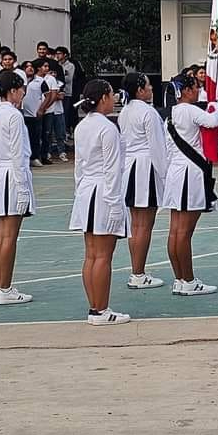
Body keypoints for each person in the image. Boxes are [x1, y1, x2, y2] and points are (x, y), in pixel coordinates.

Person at [70, 79, 131, 325]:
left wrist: (80, 192)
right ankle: (101, 310)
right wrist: (115, 204)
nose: (114, 98)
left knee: (91, 255)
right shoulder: (107, 128)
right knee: (103, 255)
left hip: (87, 191)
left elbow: (78, 166)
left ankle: (95, 308)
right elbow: (112, 170)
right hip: (104, 192)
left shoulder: (82, 126)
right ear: (104, 97)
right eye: (111, 94)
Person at [164, 74, 218, 296]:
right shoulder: (189, 110)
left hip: (175, 171)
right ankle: (188, 280)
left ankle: (180, 279)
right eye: (196, 87)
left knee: (175, 231)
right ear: (187, 90)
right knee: (184, 232)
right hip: (190, 173)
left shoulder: (170, 114)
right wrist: (217, 106)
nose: (199, 90)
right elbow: (213, 120)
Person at [0, 70, 35, 306]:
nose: (23, 93)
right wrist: (23, 187)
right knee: (9, 235)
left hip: (3, 174)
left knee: (2, 234)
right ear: (13, 90)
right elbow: (17, 153)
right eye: (21, 89)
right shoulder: (14, 115)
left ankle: (0, 286)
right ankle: (4, 288)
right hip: (13, 175)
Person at [118, 72, 168, 291]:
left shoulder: (125, 111)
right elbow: (157, 147)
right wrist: (165, 176)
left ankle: (137, 271)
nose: (151, 88)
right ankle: (138, 273)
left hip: (130, 168)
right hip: (145, 168)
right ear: (139, 90)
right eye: (148, 85)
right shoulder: (148, 112)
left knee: (136, 224)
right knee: (144, 224)